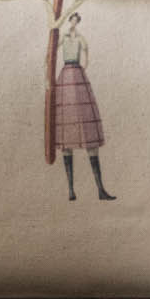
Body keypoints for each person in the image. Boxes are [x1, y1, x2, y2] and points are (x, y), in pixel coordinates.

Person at [51, 11, 114, 202]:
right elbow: (51, 52)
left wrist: (84, 66)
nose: (73, 23)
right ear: (69, 21)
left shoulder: (80, 39)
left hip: (77, 75)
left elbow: (86, 53)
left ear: (78, 23)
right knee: (66, 126)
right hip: (66, 76)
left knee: (86, 124)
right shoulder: (62, 37)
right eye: (72, 20)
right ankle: (70, 190)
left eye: (76, 21)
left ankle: (100, 190)